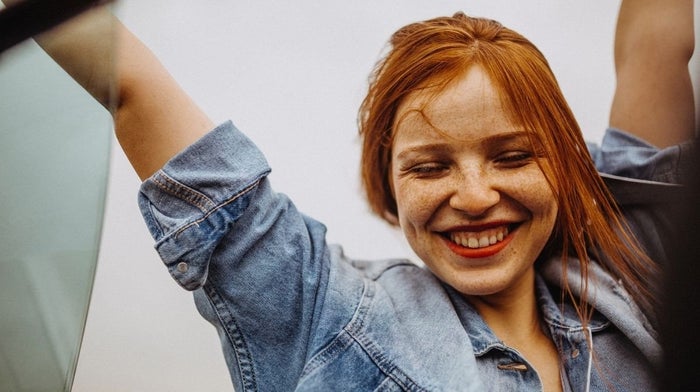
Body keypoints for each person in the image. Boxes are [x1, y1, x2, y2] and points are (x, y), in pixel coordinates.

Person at [20, 0, 695, 390]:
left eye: (512, 156)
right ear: (389, 187)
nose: (475, 193)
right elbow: (132, 85)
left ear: (564, 168)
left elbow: (658, 47)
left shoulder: (629, 264)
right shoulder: (326, 316)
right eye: (429, 168)